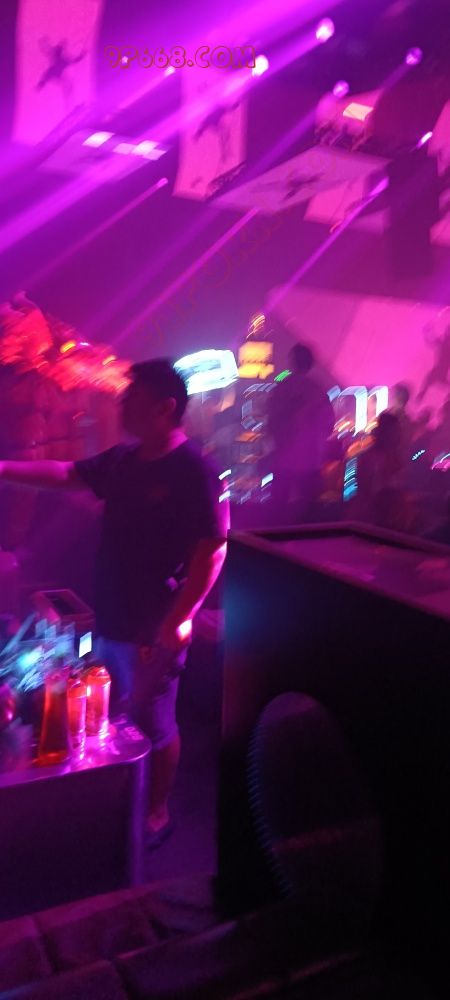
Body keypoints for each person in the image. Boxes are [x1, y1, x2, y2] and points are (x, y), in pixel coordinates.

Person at [0, 359, 228, 845]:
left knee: (154, 723)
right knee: (114, 717)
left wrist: (181, 617)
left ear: (165, 408)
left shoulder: (194, 471)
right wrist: (4, 469)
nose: (122, 403)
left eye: (133, 396)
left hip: (154, 625)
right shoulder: (125, 460)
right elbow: (66, 473)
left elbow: (213, 548)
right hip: (112, 615)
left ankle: (156, 814)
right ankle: (121, 806)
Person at [267, 343, 335, 524]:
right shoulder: (318, 392)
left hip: (283, 460)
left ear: (292, 361)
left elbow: (271, 423)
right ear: (310, 363)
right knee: (309, 516)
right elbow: (329, 425)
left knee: (277, 513)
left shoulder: (281, 389)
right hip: (311, 461)